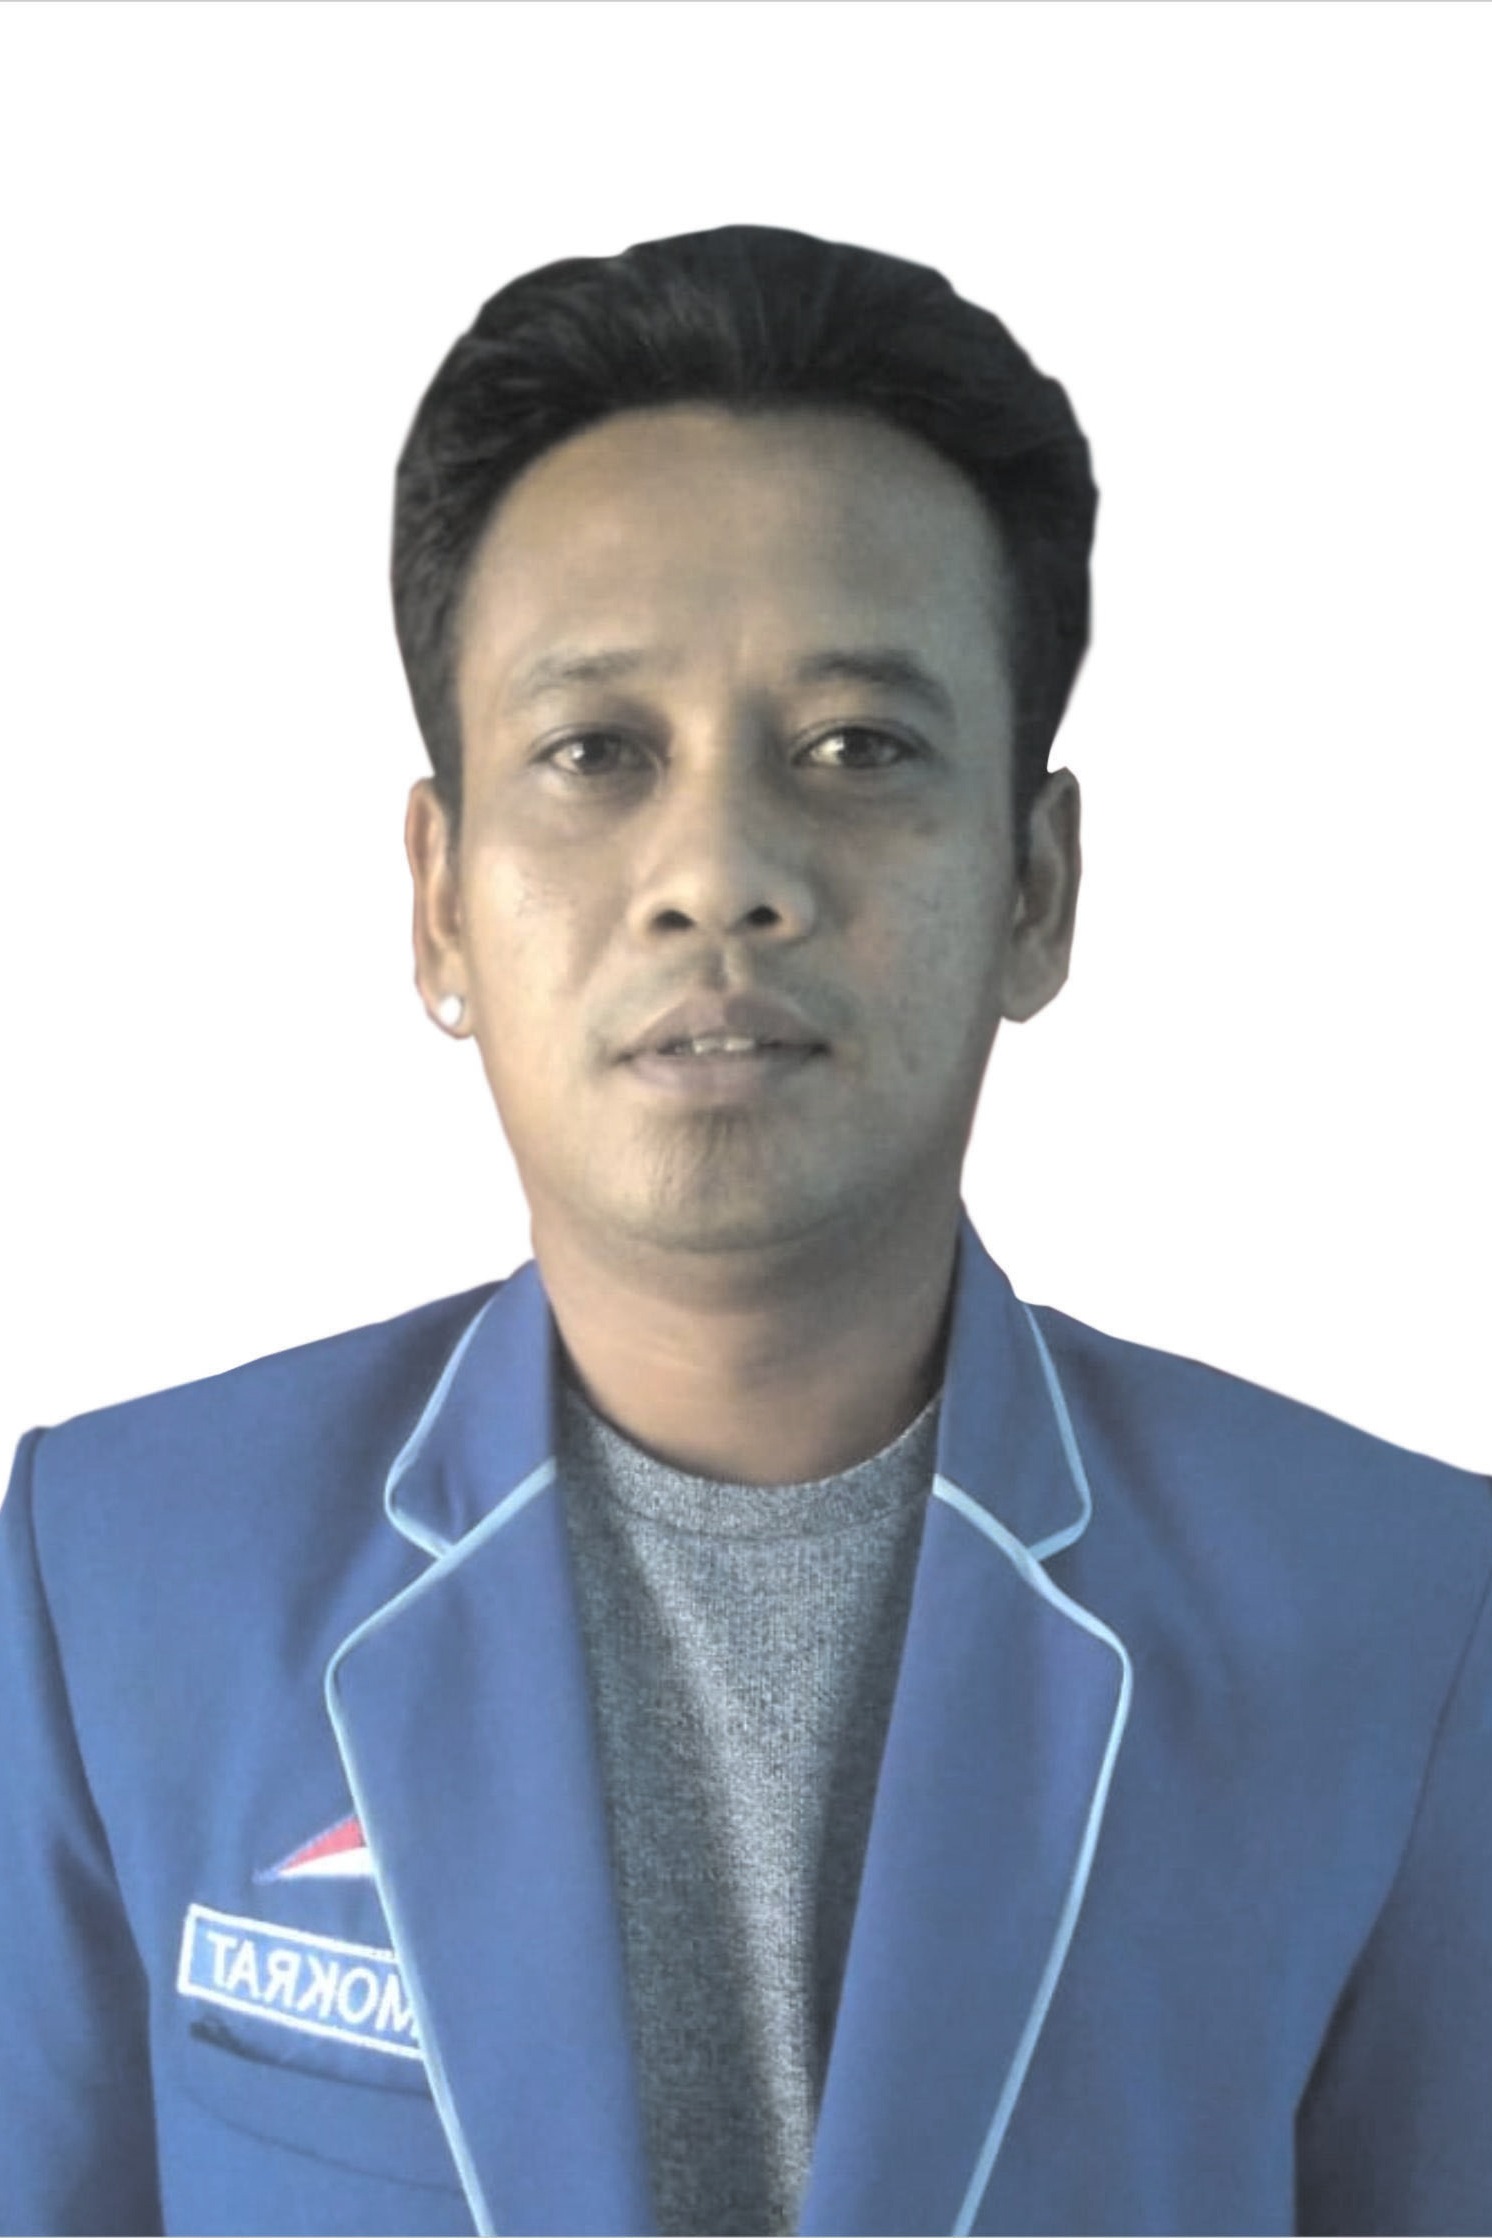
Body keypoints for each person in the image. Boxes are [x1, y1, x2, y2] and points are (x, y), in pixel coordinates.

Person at [1, 223, 1488, 2238]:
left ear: (1036, 887)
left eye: (859, 749)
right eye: (595, 754)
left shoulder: (1399, 1619)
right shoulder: (117, 1580)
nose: (718, 869)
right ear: (438, 899)